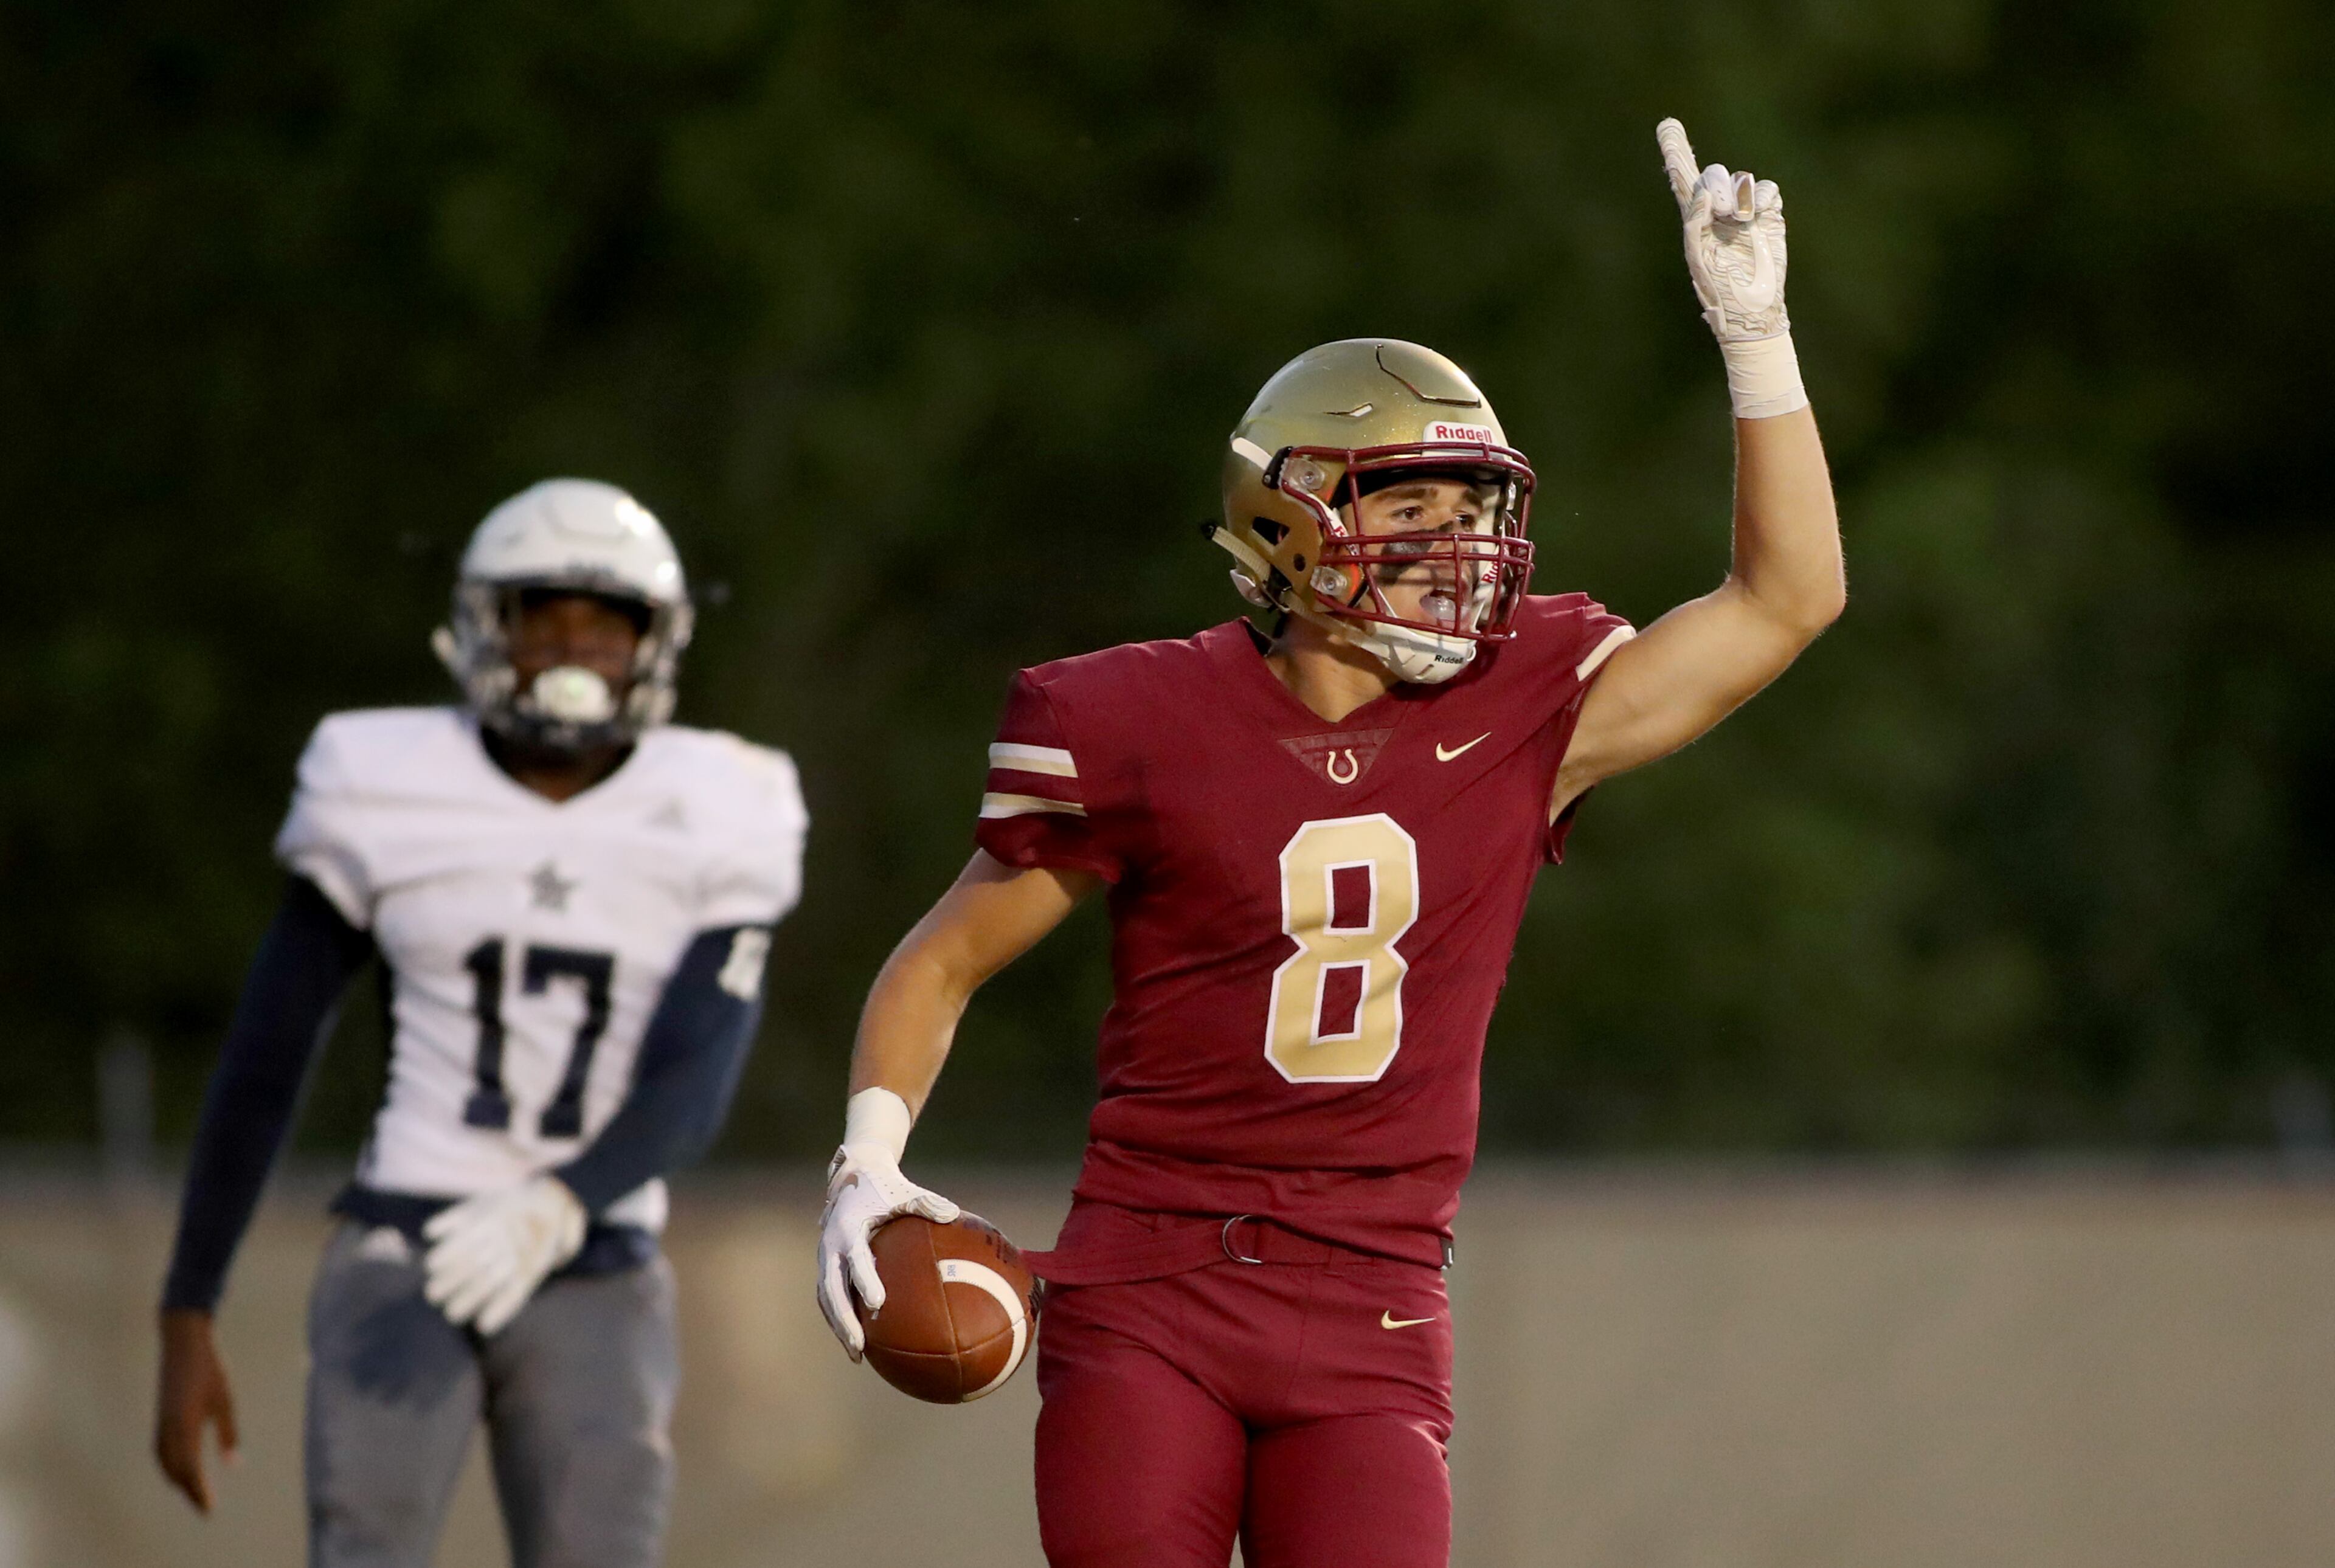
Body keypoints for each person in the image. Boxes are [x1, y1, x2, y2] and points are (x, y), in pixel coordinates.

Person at [815, 119, 1842, 1567]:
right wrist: (869, 1158)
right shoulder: (1135, 719)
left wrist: (1758, 341)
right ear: (1282, 522)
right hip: (1149, 1287)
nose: (1454, 544)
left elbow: (1786, 598)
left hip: (1374, 1302)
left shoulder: (1531, 706)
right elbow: (944, 962)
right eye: (1405, 506)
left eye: (1471, 509)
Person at [153, 479, 809, 1568]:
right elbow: (269, 1055)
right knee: (364, 1551)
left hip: (595, 1252)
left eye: (606, 620)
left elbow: (696, 1074)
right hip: (405, 1234)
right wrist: (189, 1308)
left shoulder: (723, 803)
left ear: (658, 640)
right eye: (541, 613)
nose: (572, 645)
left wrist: (558, 1206)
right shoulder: (384, 781)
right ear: (480, 627)